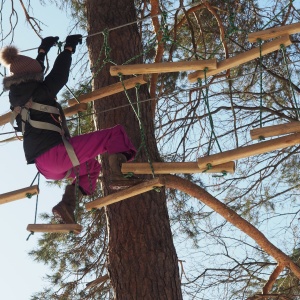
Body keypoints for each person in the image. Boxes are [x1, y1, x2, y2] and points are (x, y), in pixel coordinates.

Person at [0, 35, 137, 224]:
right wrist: (68, 49)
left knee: (92, 168)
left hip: (45, 168)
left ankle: (67, 205)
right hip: (55, 155)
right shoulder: (41, 91)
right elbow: (59, 75)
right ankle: (118, 176)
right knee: (114, 134)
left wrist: (43, 51)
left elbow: (31, 72)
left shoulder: (17, 98)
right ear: (33, 78)